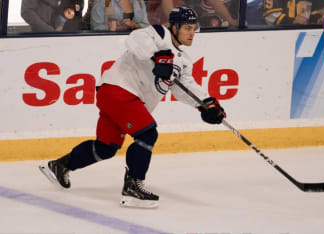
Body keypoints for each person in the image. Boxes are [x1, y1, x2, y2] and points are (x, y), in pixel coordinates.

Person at [39, 7, 226, 209]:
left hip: (118, 98)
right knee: (147, 135)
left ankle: (59, 166)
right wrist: (159, 54)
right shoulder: (158, 34)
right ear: (174, 27)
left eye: (194, 28)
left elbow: (186, 87)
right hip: (119, 90)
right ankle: (133, 188)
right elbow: (135, 40)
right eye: (187, 28)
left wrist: (206, 105)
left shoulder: (184, 61)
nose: (192, 33)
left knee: (106, 147)